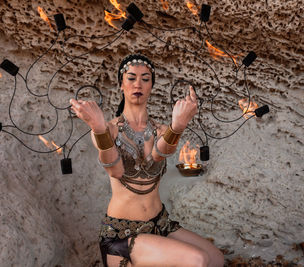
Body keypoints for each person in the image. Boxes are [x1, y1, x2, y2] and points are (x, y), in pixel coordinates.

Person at [70, 54, 224, 267]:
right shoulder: (110, 130)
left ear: (152, 85)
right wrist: (97, 127)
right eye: (131, 78)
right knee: (197, 260)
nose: (138, 84)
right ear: (120, 84)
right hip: (122, 236)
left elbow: (159, 154)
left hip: (159, 224)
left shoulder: (161, 130)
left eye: (145, 78)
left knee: (216, 259)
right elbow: (115, 171)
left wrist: (178, 126)